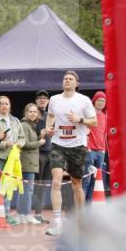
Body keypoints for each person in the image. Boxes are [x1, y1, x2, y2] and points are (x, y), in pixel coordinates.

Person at [45, 70, 98, 235]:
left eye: (70, 79)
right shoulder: (54, 99)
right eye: (65, 79)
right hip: (58, 144)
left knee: (76, 184)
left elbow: (94, 122)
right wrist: (48, 128)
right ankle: (58, 223)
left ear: (77, 83)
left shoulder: (84, 100)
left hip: (77, 145)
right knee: (56, 182)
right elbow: (51, 116)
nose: (67, 81)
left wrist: (79, 120)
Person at [0, 95, 26, 224]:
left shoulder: (15, 121)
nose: (4, 106)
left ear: (10, 106)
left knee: (8, 188)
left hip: (12, 158)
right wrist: (4, 144)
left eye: (6, 104)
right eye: (1, 104)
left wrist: (19, 143)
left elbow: (22, 137)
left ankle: (6, 214)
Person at [19, 103, 45, 224]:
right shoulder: (25, 125)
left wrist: (41, 136)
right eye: (31, 111)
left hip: (31, 162)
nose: (33, 113)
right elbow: (24, 144)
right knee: (28, 189)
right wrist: (39, 143)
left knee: (25, 189)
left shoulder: (31, 125)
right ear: (25, 113)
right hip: (27, 162)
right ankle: (26, 214)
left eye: (35, 112)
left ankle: (23, 214)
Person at [32, 90, 52, 223]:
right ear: (36, 101)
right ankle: (29, 213)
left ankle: (39, 213)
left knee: (44, 185)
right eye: (40, 98)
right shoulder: (33, 115)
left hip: (50, 153)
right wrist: (41, 135)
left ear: (48, 101)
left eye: (45, 98)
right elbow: (29, 135)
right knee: (35, 185)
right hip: (37, 153)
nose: (43, 100)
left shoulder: (50, 115)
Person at [84, 91, 107, 203]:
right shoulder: (89, 116)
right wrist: (87, 148)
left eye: (103, 101)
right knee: (87, 180)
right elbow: (84, 132)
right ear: (94, 101)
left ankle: (90, 205)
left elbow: (105, 134)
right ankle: (82, 206)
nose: (101, 103)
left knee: (96, 181)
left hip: (101, 152)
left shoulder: (105, 116)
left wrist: (103, 150)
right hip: (90, 151)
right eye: (99, 100)